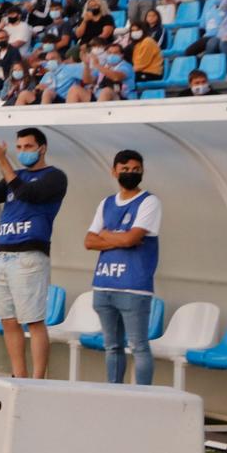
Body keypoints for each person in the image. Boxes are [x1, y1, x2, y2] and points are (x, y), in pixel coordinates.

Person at [0, 127, 67, 380]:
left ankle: (37, 381)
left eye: (28, 146)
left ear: (42, 148)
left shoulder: (54, 177)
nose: (22, 152)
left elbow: (29, 194)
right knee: (8, 320)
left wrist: (4, 160)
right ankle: (19, 377)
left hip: (29, 256)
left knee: (34, 321)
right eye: (19, 147)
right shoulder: (12, 175)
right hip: (2, 254)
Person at [85, 150, 162, 385]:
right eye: (125, 169)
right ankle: (114, 393)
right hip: (103, 285)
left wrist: (107, 236)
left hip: (134, 287)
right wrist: (119, 237)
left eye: (135, 169)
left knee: (138, 346)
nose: (130, 173)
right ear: (114, 171)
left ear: (142, 171)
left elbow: (132, 239)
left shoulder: (149, 201)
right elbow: (89, 241)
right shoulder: (106, 203)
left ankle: (143, 398)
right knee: (112, 346)